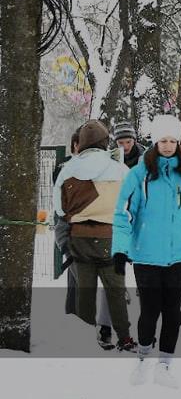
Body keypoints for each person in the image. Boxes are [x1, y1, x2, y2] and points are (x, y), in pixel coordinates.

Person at [112, 114, 181, 387]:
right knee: (149, 311)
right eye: (163, 140)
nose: (168, 146)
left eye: (172, 141)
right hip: (146, 254)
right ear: (155, 142)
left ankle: (165, 366)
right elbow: (124, 214)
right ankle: (143, 359)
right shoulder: (139, 175)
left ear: (178, 142)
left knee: (172, 312)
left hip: (180, 255)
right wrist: (120, 249)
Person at [53, 122, 132, 351]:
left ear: (82, 143)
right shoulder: (120, 169)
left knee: (84, 293)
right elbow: (132, 204)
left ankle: (85, 339)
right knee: (116, 292)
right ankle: (124, 337)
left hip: (79, 240)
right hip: (111, 239)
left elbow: (60, 209)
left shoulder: (68, 169)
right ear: (105, 141)